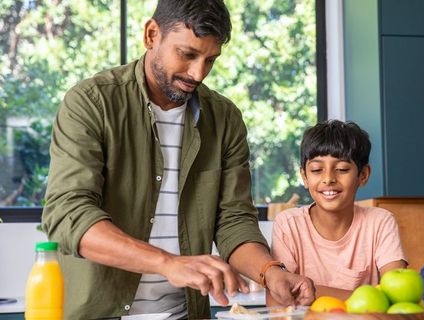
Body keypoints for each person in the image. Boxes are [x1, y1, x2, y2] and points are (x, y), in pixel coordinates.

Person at [41, 0, 315, 319]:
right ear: (151, 34)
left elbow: (233, 220)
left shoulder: (224, 119)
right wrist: (167, 263)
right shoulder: (92, 102)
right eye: (187, 54)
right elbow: (68, 213)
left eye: (210, 60)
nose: (198, 73)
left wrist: (271, 273)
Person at [267, 120, 407, 306]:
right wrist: (367, 297)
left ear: (363, 175)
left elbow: (396, 295)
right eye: (317, 170)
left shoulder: (380, 222)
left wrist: (308, 291)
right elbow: (277, 298)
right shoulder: (289, 224)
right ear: (304, 177)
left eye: (342, 169)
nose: (328, 179)